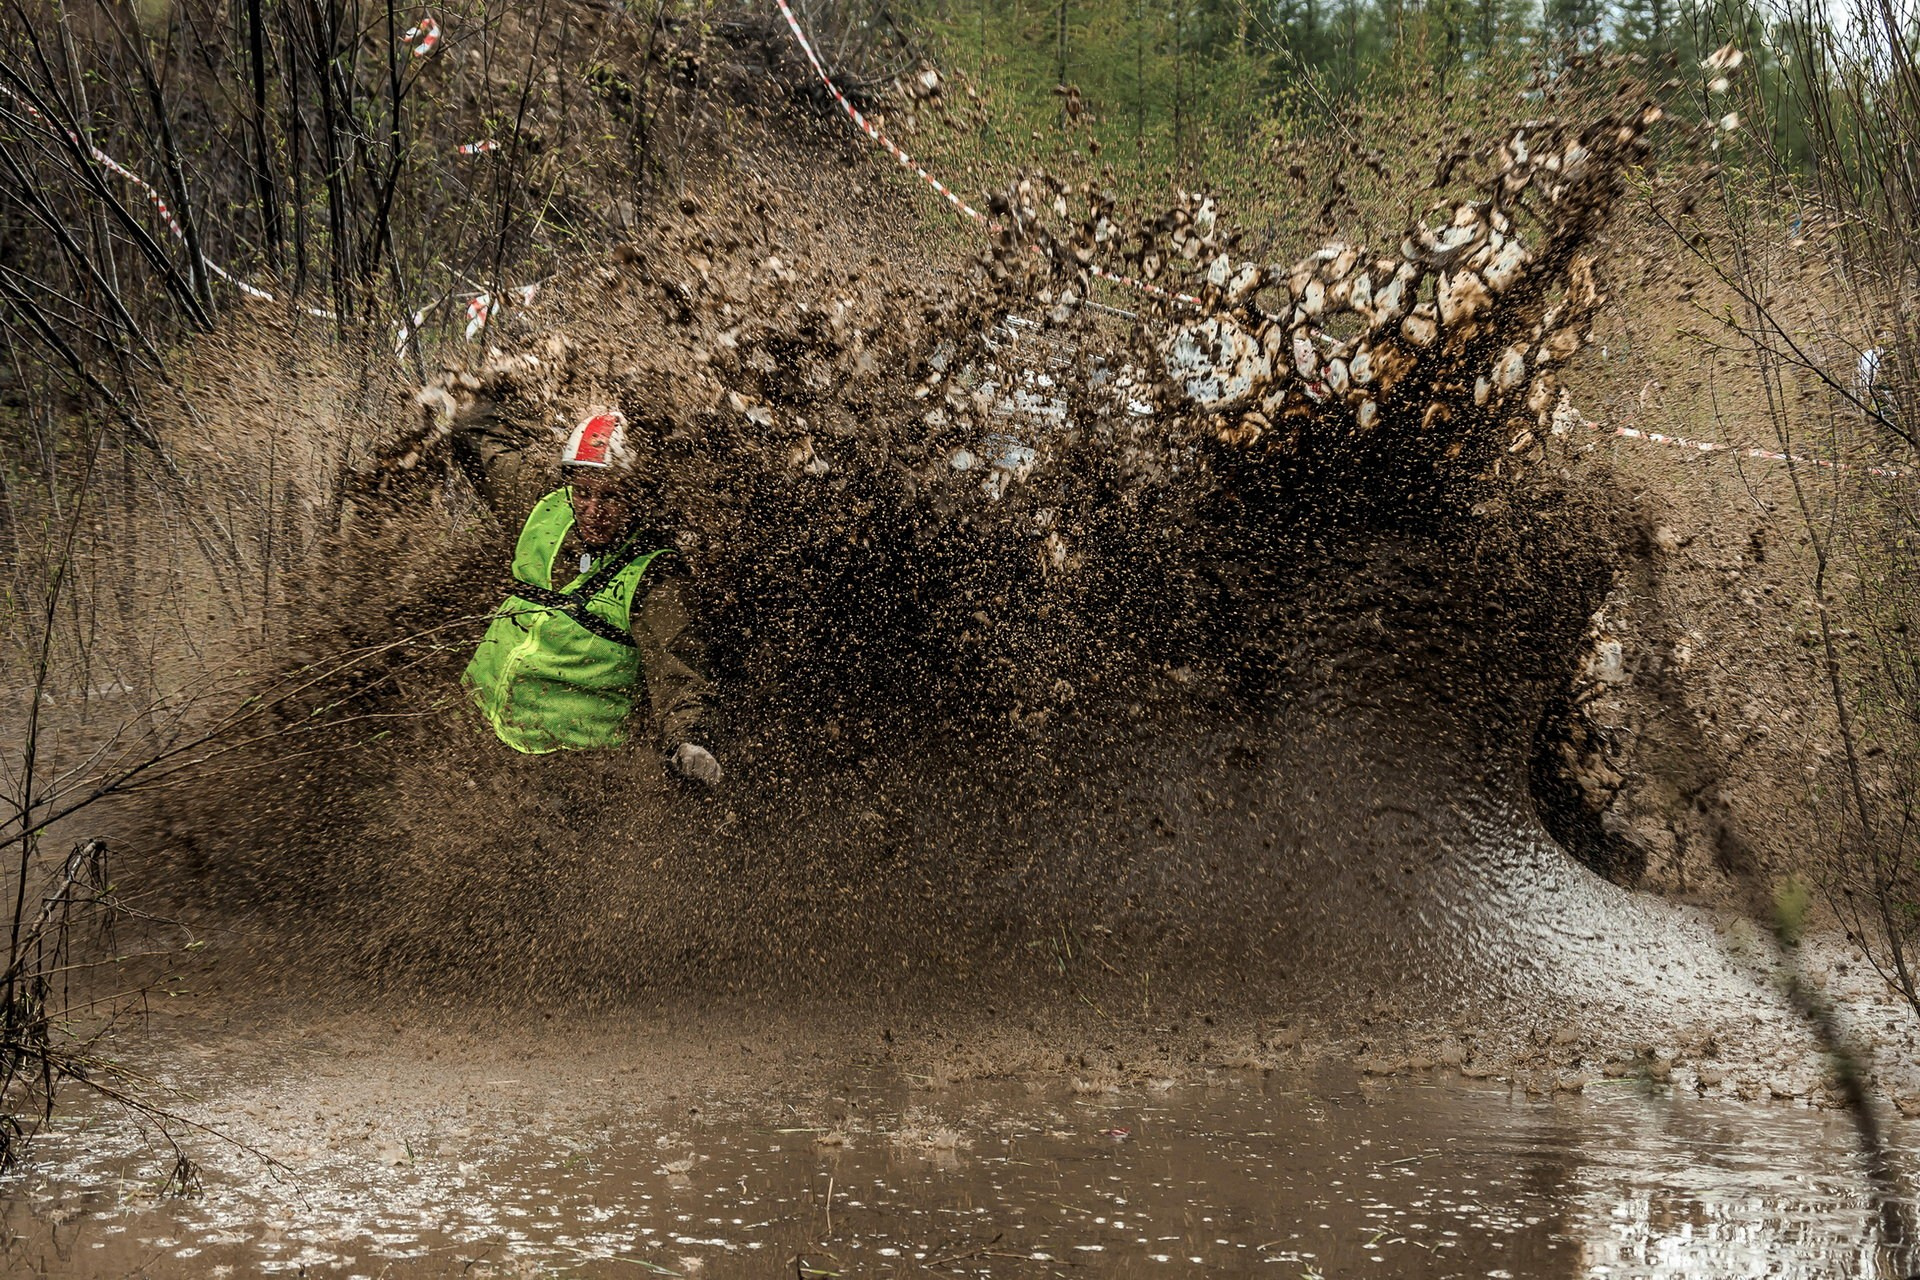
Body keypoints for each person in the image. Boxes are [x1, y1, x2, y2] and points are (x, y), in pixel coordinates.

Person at [452, 404, 723, 786]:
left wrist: (687, 742)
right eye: (583, 493)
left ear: (638, 498)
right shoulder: (543, 506)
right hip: (476, 724)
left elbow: (679, 671)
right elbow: (472, 435)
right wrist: (513, 384)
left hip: (571, 766)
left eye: (610, 496)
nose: (592, 511)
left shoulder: (656, 577)